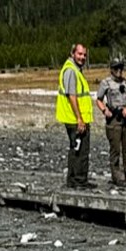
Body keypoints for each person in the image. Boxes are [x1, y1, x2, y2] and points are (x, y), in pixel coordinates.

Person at [56, 43, 95, 189]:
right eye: (79, 54)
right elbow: (72, 96)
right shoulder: (71, 71)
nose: (82, 57)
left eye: (84, 55)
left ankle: (73, 180)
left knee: (75, 148)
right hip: (75, 119)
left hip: (74, 118)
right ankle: (79, 180)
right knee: (81, 150)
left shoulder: (73, 69)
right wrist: (80, 119)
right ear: (73, 53)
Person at [96, 56, 126, 187]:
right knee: (115, 149)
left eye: (121, 67)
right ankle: (116, 176)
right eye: (116, 68)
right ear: (111, 69)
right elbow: (98, 99)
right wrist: (104, 110)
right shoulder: (106, 83)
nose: (119, 70)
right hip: (114, 118)